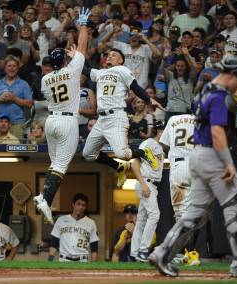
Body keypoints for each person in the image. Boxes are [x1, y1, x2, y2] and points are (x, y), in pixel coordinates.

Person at [148, 55, 237, 278]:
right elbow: (217, 132)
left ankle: (162, 252)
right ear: (233, 75)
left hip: (198, 155)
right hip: (213, 156)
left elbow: (221, 127)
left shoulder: (206, 89)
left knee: (194, 214)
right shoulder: (219, 95)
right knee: (236, 207)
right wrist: (229, 163)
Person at [33, 7, 91, 224]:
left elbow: (67, 61)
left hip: (51, 121)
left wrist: (68, 56)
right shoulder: (72, 70)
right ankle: (46, 200)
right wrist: (83, 24)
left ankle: (43, 195)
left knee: (54, 163)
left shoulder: (45, 80)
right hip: (67, 121)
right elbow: (83, 47)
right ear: (65, 61)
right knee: (61, 166)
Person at [81, 47, 163, 190]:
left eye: (114, 55)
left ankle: (144, 153)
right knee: (88, 154)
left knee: (123, 154)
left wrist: (149, 99)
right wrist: (72, 56)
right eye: (109, 54)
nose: (110, 56)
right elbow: (85, 70)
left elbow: (135, 87)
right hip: (101, 120)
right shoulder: (100, 73)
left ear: (121, 60)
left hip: (116, 117)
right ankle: (118, 167)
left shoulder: (123, 70)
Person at [159, 113, 202, 265]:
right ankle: (189, 252)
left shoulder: (172, 119)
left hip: (179, 167)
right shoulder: (200, 119)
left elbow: (164, 145)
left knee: (181, 214)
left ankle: (192, 253)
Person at [130, 121, 164, 262]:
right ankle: (143, 251)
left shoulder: (159, 147)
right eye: (162, 129)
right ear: (158, 131)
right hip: (146, 182)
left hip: (152, 184)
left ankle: (134, 252)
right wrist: (143, 184)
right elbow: (135, 162)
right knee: (155, 215)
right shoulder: (148, 143)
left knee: (142, 219)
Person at [0, 55, 33, 140]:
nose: (11, 68)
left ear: (17, 68)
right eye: (9, 66)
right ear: (5, 68)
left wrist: (14, 99)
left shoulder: (24, 84)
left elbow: (30, 103)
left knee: (17, 152)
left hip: (17, 125)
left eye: (14, 66)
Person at [48, 193, 99, 262]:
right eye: (78, 204)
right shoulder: (61, 220)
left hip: (82, 260)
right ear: (73, 205)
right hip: (64, 260)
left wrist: (94, 265)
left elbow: (94, 247)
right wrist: (49, 262)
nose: (81, 207)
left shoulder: (91, 223)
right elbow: (54, 243)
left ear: (85, 208)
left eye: (83, 205)